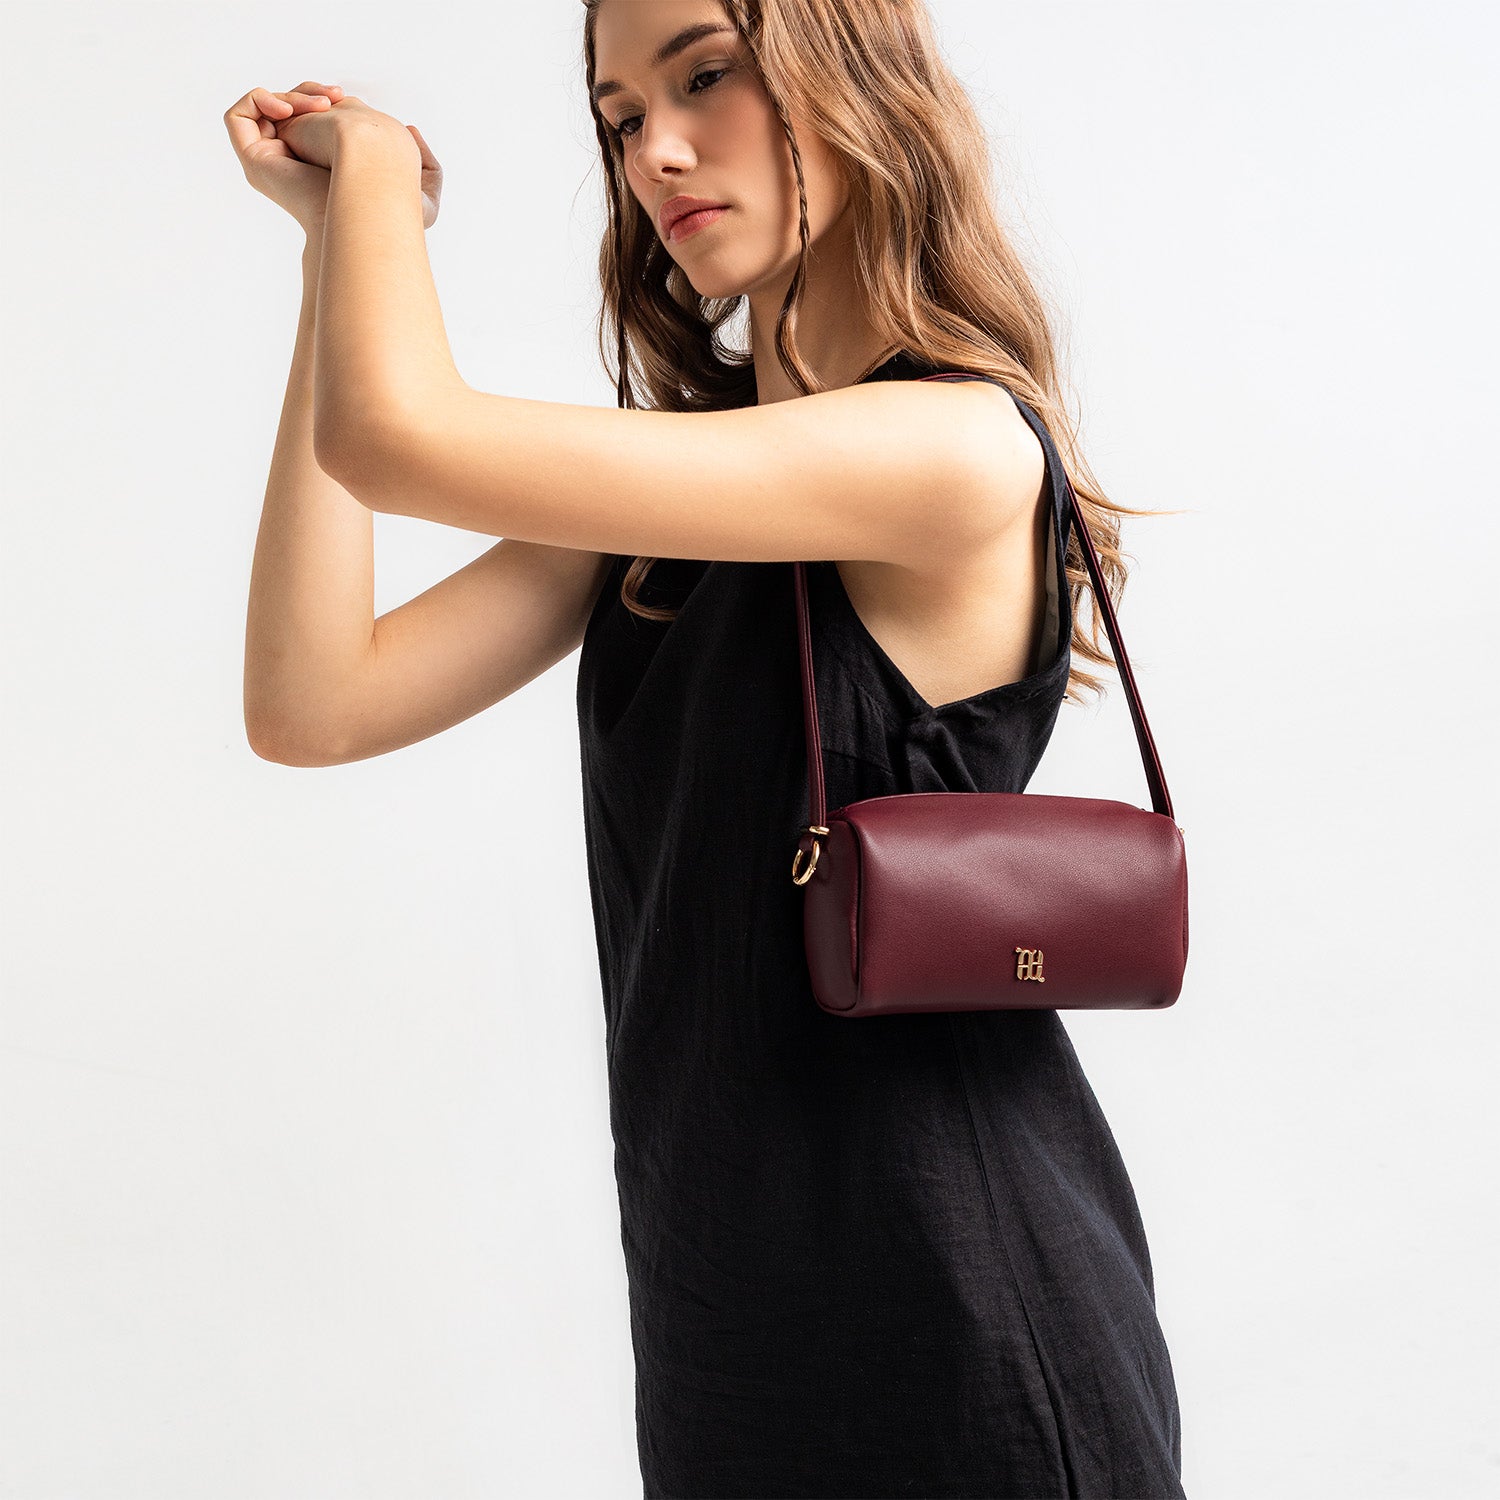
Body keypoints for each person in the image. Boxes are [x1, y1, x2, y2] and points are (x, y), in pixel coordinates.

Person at [225, 1, 1187, 1494]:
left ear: (851, 77)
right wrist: (331, 250)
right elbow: (312, 701)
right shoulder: (677, 502)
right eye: (620, 118)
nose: (656, 151)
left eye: (706, 75)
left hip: (962, 1316)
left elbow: (399, 435)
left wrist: (375, 186)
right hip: (727, 1326)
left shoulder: (954, 449)